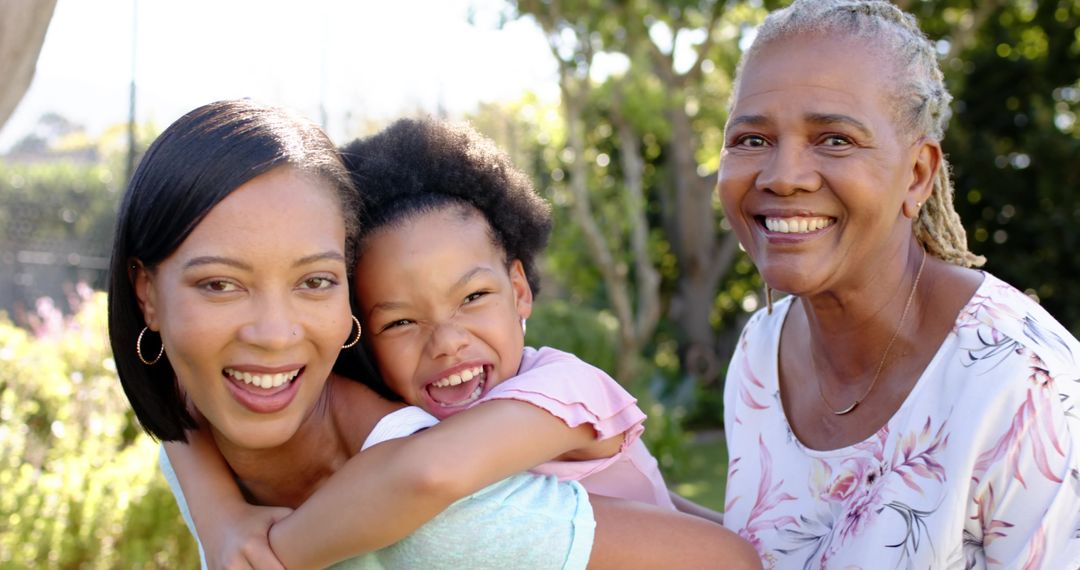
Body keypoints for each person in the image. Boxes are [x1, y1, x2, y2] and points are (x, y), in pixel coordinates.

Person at [109, 99, 758, 569]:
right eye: (400, 320)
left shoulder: (557, 393)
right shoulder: (222, 424)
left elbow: (426, 475)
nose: (446, 340)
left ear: (520, 289)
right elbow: (180, 417)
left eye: (313, 281)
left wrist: (272, 554)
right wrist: (221, 520)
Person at [715, 0, 1080, 568]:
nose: (782, 176)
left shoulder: (1025, 388)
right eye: (752, 140)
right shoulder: (760, 351)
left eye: (834, 139)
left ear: (917, 175)